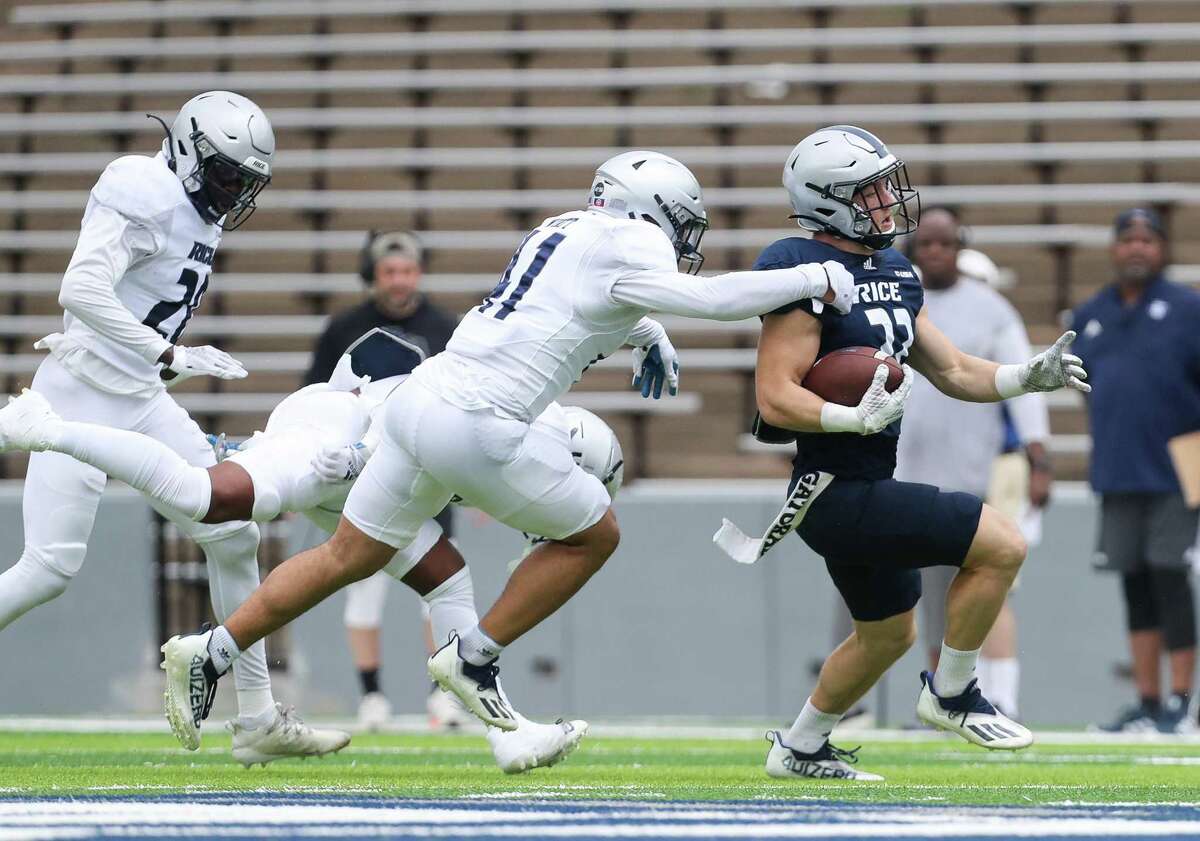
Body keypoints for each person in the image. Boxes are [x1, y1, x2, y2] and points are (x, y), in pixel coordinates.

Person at [157, 149, 860, 746]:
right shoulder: (630, 241)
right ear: (650, 209)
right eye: (680, 221)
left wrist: (648, 333)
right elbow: (708, 299)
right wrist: (811, 276)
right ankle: (474, 656)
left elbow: (565, 306)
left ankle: (209, 652)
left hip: (419, 401)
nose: (681, 237)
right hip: (477, 420)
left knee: (350, 553)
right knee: (594, 533)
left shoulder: (565, 227)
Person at [0, 326, 606, 773]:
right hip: (342, 436)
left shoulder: (535, 423)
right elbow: (410, 386)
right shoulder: (535, 428)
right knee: (206, 496)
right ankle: (46, 429)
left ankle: (504, 735)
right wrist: (365, 449)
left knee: (447, 578)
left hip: (372, 468)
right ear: (576, 461)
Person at [0, 91, 348, 767]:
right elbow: (81, 290)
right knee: (48, 568)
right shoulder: (141, 185)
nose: (232, 194)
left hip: (141, 394)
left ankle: (257, 717)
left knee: (231, 529)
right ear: (188, 150)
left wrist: (164, 363)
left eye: (245, 183)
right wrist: (169, 352)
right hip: (80, 394)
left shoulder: (196, 210)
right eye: (226, 176)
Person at [745, 125, 1087, 780]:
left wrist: (1026, 376)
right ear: (828, 199)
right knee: (1003, 543)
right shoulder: (803, 268)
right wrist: (848, 415)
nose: (886, 201)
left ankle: (801, 745)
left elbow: (955, 369)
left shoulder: (893, 269)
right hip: (832, 490)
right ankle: (954, 691)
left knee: (886, 634)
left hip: (865, 483)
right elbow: (773, 397)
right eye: (871, 191)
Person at [897, 209, 1053, 720]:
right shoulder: (898, 297)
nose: (935, 252)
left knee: (990, 581)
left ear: (960, 246)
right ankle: (942, 696)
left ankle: (1003, 695)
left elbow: (1024, 381)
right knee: (930, 595)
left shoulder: (990, 308)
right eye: (927, 243)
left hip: (974, 471)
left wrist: (1038, 452)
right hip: (907, 470)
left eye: (945, 243)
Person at [304, 231, 457, 731]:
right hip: (360, 476)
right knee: (363, 587)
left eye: (407, 270)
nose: (399, 280)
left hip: (429, 475)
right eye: (390, 271)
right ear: (373, 275)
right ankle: (371, 697)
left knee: (440, 586)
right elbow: (316, 399)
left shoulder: (444, 327)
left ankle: (445, 694)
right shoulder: (344, 328)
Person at [1071, 208, 1200, 735]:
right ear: (1113, 248)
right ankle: (1147, 702)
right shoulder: (1089, 314)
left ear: (1163, 249)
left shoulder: (1189, 308)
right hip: (1119, 467)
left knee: (1171, 576)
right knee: (1134, 583)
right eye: (1128, 239)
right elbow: (1087, 392)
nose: (1137, 248)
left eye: (1148, 239)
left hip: (1180, 466)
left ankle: (1183, 702)